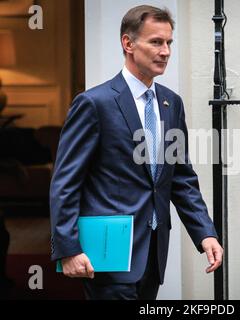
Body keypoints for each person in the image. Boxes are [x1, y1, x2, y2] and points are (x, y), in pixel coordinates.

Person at [50, 5, 223, 300]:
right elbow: (65, 182)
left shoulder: (172, 103)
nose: (165, 51)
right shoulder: (94, 103)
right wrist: (68, 248)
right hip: (107, 254)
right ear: (128, 44)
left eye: (169, 42)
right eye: (156, 42)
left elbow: (180, 176)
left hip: (153, 254)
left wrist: (205, 232)